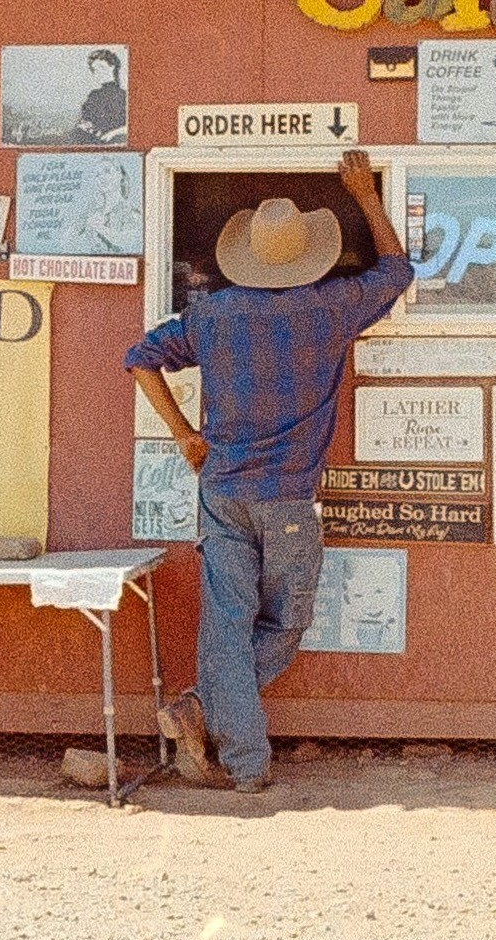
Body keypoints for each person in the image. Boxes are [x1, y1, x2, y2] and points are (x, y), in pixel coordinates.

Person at [122, 151, 415, 800]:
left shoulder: (213, 314)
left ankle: (227, 739)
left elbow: (139, 358)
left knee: (226, 622)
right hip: (286, 497)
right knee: (282, 622)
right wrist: (363, 194)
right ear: (309, 255)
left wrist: (184, 436)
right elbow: (396, 269)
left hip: (222, 489)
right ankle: (210, 720)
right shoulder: (331, 307)